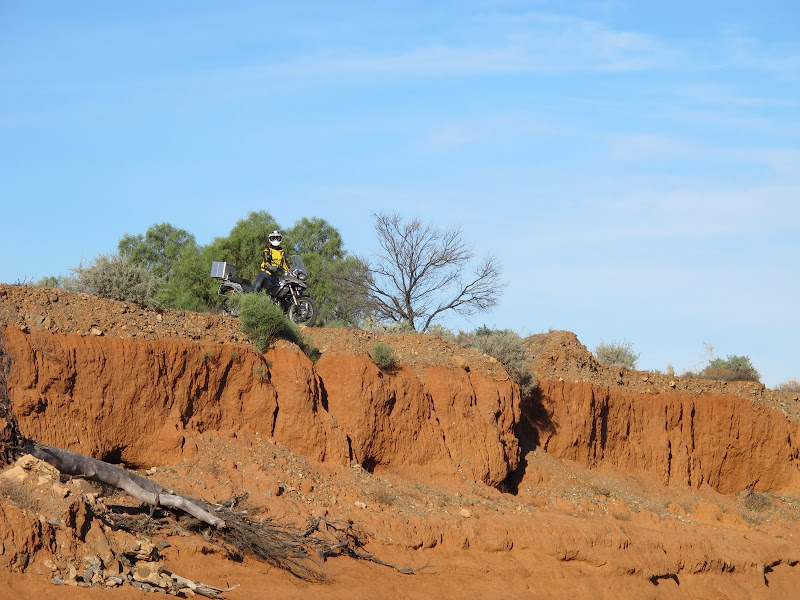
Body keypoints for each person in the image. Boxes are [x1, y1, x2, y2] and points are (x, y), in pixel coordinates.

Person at [252, 230, 291, 295]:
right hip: (265, 272)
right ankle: (250, 297)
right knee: (257, 286)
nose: (275, 240)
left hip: (274, 275)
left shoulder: (281, 251)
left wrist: (289, 270)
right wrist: (267, 262)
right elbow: (265, 255)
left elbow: (284, 262)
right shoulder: (268, 249)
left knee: (279, 289)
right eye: (273, 238)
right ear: (270, 239)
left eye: (277, 238)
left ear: (280, 239)